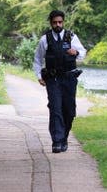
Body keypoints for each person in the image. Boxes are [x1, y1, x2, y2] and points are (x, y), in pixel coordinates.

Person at [33, 10, 87, 153]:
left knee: (69, 111)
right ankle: (56, 141)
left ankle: (64, 138)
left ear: (63, 22)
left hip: (69, 78)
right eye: (55, 22)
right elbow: (38, 60)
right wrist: (39, 76)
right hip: (53, 79)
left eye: (60, 22)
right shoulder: (45, 39)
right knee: (56, 108)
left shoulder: (71, 37)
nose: (58, 25)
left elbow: (83, 53)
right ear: (50, 23)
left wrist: (76, 53)